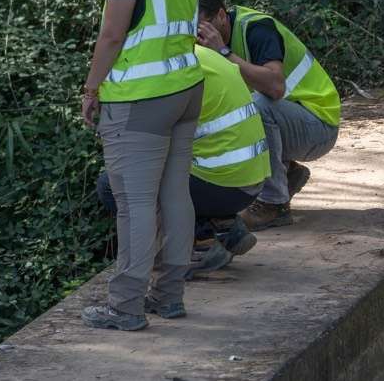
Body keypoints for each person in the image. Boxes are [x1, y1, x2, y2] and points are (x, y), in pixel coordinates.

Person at [79, 0, 204, 332]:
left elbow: (112, 35)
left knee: (134, 205)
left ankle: (126, 306)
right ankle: (169, 296)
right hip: (186, 88)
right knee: (175, 194)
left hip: (141, 98)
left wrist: (91, 88)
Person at [96, 45, 270, 280]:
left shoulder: (165, 75)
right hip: (249, 181)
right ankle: (222, 224)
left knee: (112, 183)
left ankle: (199, 243)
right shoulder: (198, 54)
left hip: (224, 184)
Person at [196, 0, 340, 230]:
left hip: (319, 125)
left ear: (221, 15)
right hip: (294, 122)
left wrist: (222, 52)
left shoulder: (256, 28)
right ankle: (287, 173)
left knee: (258, 107)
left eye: (202, 26)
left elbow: (275, 87)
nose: (198, 35)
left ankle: (274, 204)